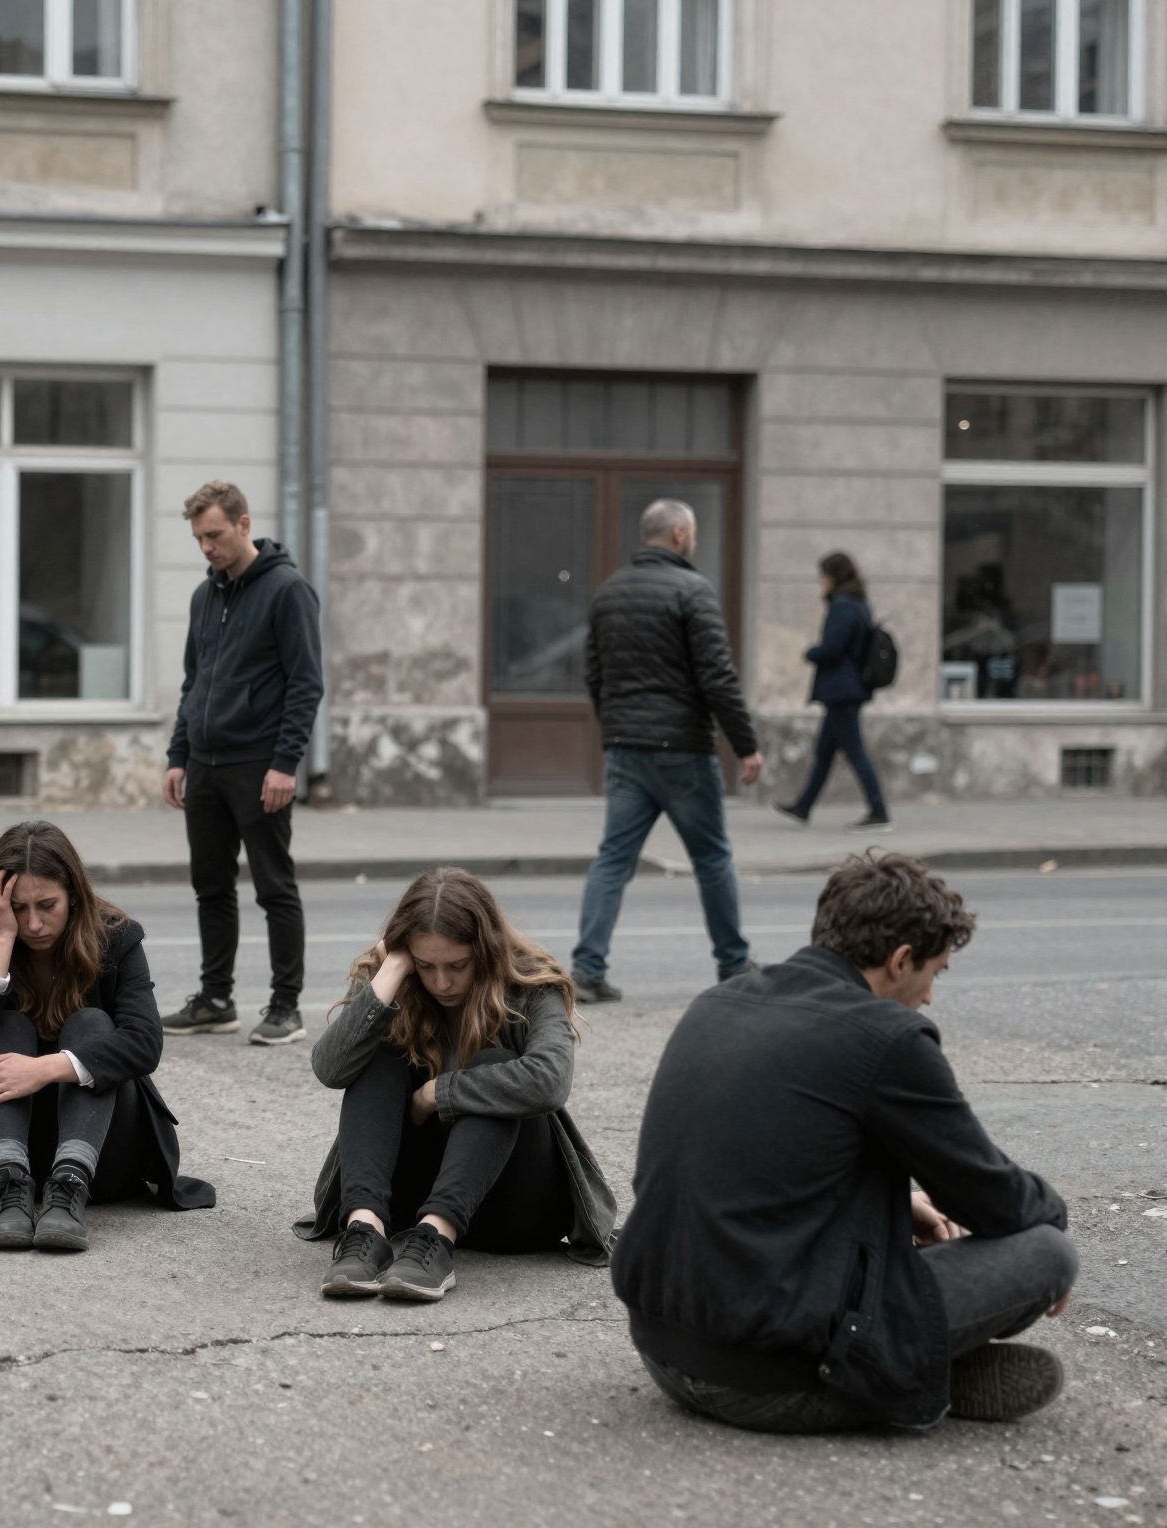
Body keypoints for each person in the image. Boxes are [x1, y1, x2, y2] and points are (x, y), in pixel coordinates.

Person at [612, 852, 1078, 1432]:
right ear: (901, 960)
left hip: (664, 1351)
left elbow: (754, 1161)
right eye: (934, 973)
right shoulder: (888, 1037)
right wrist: (1050, 1221)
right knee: (1046, 1253)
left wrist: (901, 1205)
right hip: (769, 1382)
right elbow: (992, 1199)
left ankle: (914, 1359)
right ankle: (900, 1370)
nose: (930, 996)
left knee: (900, 1226)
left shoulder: (719, 1001)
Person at [0, 820, 214, 1251]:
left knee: (92, 1024)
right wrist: (0, 939)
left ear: (73, 896)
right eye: (18, 908)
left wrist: (44, 1069)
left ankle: (68, 1187)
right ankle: (10, 1188)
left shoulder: (117, 938)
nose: (34, 923)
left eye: (47, 905)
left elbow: (145, 1042)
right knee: (8, 1024)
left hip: (100, 1152)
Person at [295, 868, 615, 1301]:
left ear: (486, 952)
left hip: (513, 1205)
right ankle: (364, 1230)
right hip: (405, 1201)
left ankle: (436, 1238)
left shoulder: (531, 982)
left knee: (496, 1065)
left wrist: (438, 1092)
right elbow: (330, 1069)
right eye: (426, 966)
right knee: (379, 1057)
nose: (441, 982)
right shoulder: (393, 978)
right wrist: (391, 971)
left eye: (457, 966)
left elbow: (550, 1081)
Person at [572, 497, 762, 1005]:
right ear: (680, 535)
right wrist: (746, 746)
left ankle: (587, 970)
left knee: (613, 859)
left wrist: (613, 727)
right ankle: (734, 963)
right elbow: (718, 677)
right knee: (713, 857)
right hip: (682, 750)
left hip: (625, 751)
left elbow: (594, 674)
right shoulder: (693, 591)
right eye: (693, 533)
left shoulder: (609, 592)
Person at [161, 481, 324, 1046]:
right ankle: (215, 999)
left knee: (274, 886)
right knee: (211, 886)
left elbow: (306, 685)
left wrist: (286, 763)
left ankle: (286, 1007)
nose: (207, 547)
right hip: (204, 764)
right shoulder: (204, 597)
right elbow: (194, 682)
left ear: (243, 524)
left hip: (259, 764)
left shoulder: (287, 590)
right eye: (199, 538)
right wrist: (178, 755)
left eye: (215, 535)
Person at [775, 551, 890, 832]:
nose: (821, 582)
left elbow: (833, 648)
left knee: (854, 751)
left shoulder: (843, 605)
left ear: (833, 576)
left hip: (842, 689)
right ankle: (803, 805)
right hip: (849, 688)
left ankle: (879, 811)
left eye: (823, 576)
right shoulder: (858, 603)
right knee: (825, 751)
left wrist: (811, 652)